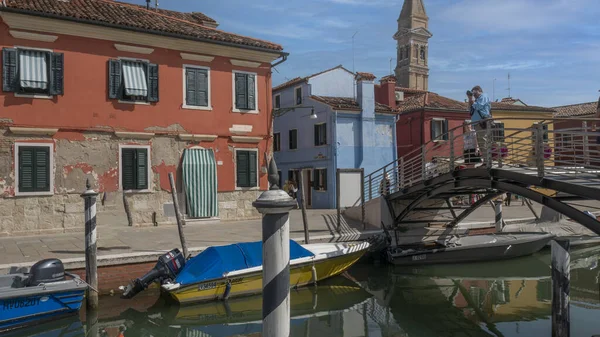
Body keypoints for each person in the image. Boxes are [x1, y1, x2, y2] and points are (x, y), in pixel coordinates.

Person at [467, 86, 492, 165]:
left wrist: (472, 100)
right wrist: (470, 99)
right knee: (481, 143)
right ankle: (485, 161)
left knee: (483, 142)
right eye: (472, 92)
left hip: (482, 122)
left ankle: (487, 162)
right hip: (477, 124)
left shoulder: (483, 96)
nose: (473, 94)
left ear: (479, 90)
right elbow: (470, 110)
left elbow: (478, 106)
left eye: (475, 92)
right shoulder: (476, 100)